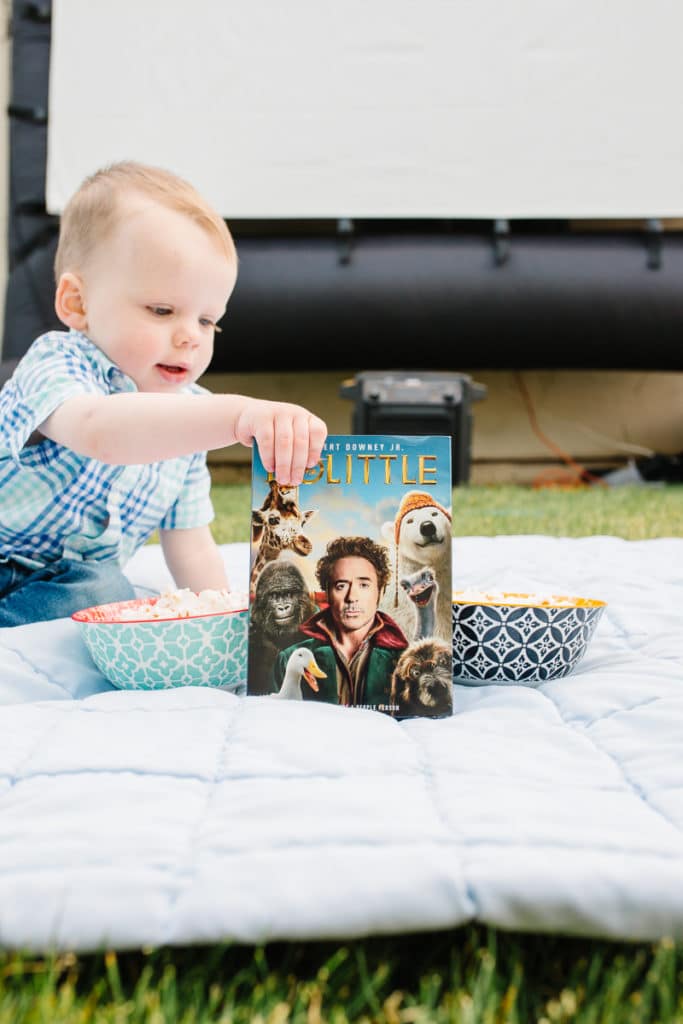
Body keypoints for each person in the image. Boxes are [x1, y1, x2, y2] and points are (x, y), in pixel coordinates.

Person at [0, 161, 327, 626]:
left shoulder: (190, 415)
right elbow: (101, 432)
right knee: (104, 592)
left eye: (207, 320)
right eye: (162, 309)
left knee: (111, 593)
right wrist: (234, 415)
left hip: (68, 583)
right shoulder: (57, 363)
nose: (190, 336)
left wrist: (228, 619)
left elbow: (191, 546)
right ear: (77, 303)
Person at [272, 536, 408, 708]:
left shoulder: (405, 660)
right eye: (341, 586)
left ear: (380, 592)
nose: (352, 597)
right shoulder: (288, 659)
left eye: (364, 585)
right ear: (328, 593)